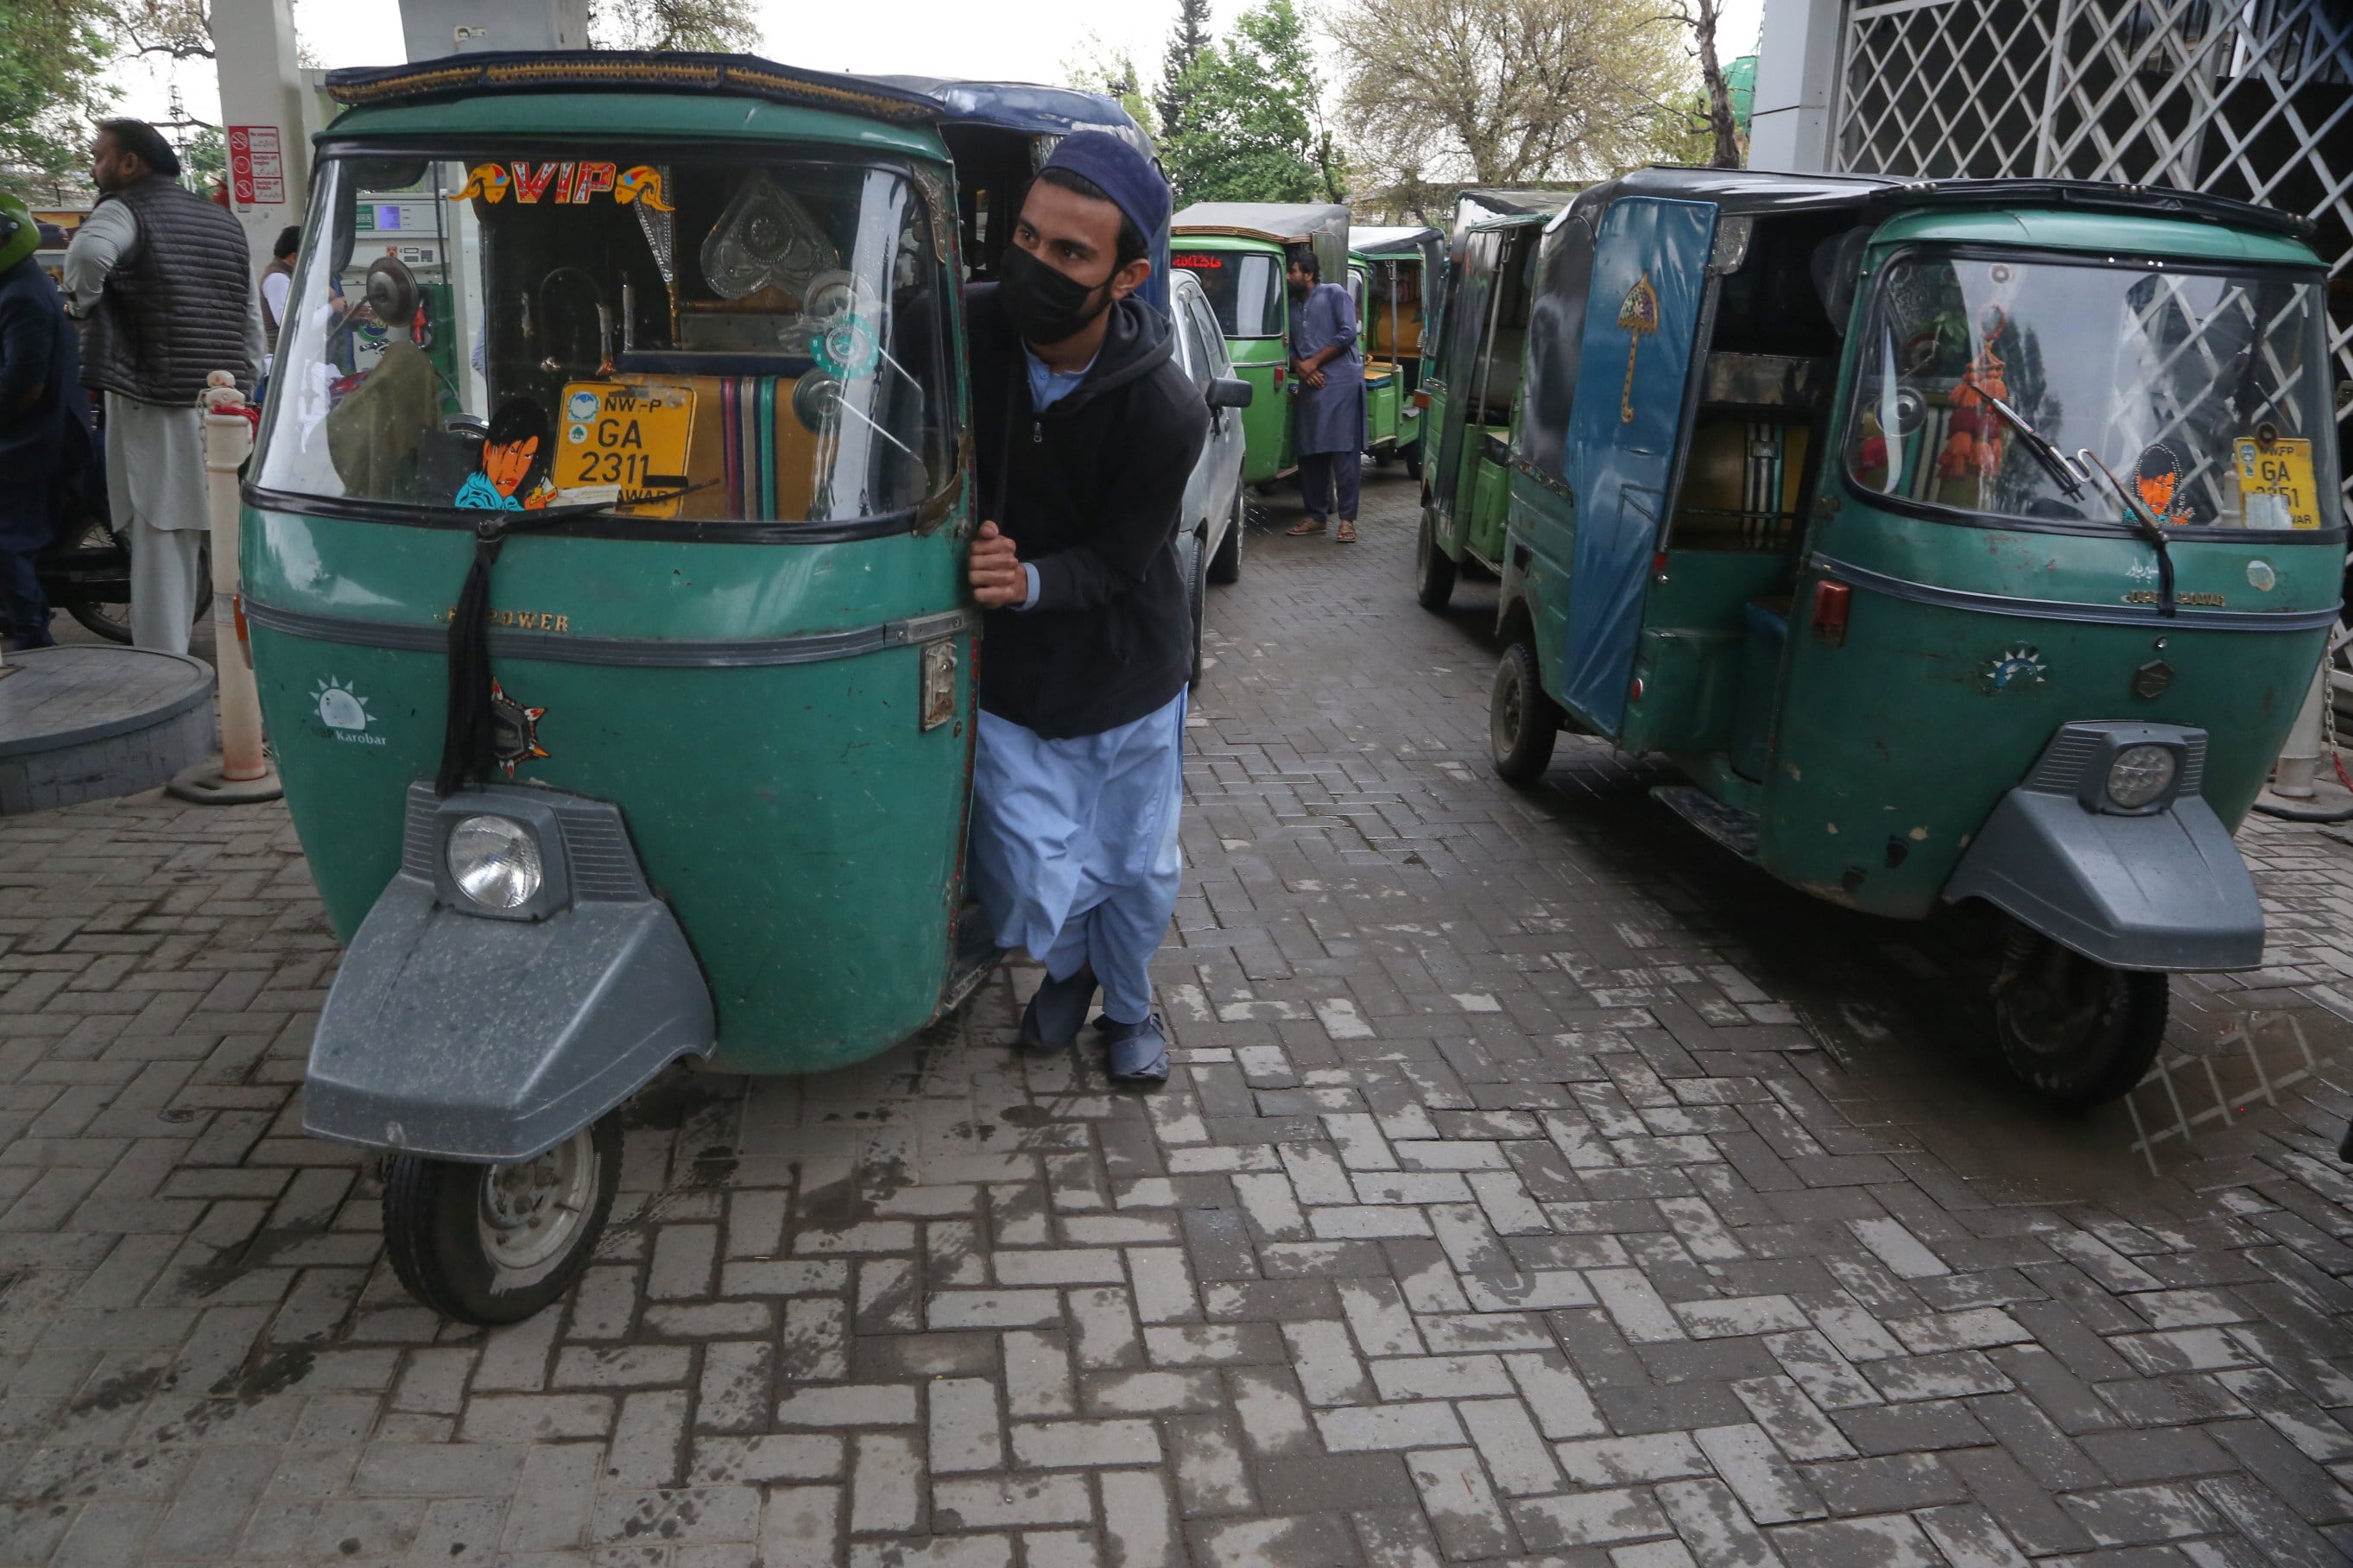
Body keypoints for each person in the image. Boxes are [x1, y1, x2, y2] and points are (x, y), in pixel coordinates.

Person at [963, 131, 1208, 1087]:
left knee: (1136, 867)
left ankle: (1129, 1004)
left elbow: (1116, 563)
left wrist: (1025, 581)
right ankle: (1066, 968)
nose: (1036, 266)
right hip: (1014, 677)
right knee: (1031, 865)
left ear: (1126, 275)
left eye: (1070, 254)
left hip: (1126, 671)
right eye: (1026, 238)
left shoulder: (1165, 411)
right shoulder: (960, 332)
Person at [63, 118, 262, 654]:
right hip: (224, 405)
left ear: (131, 163)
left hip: (155, 397)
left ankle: (164, 674)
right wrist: (246, 384)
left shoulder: (125, 209)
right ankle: (254, 672)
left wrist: (80, 304)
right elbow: (248, 321)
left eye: (99, 155)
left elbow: (86, 257)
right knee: (229, 539)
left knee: (161, 539)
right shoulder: (222, 223)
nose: (93, 165)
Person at [0, 192, 92, 650]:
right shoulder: (19, 286)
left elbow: (23, 385)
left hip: (34, 441)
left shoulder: (21, 297)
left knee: (7, 543)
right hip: (38, 432)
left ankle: (31, 634)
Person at [1283, 244, 1364, 544]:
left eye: (1292, 271)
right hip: (1310, 386)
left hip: (1341, 384)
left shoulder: (1334, 294)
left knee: (1343, 453)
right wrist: (1302, 369)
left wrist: (1313, 362)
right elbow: (1288, 346)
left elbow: (1347, 333)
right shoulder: (1290, 306)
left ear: (1308, 273)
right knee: (1310, 452)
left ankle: (1347, 521)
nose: (1289, 277)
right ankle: (1316, 516)